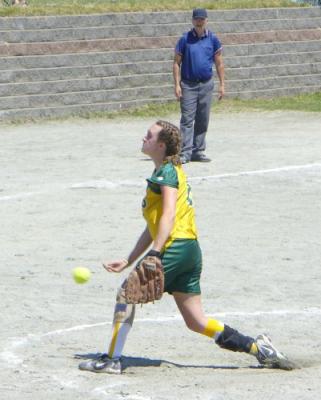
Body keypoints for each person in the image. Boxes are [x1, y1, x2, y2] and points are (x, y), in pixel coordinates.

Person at [79, 120, 294, 375]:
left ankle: (112, 360)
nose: (143, 138)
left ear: (160, 145)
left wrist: (156, 253)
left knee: (126, 294)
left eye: (148, 136)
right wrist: (129, 259)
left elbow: (168, 215)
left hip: (175, 247)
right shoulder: (171, 171)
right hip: (190, 249)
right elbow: (154, 225)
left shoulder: (166, 173)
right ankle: (258, 348)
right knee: (196, 321)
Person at [173, 8, 225, 164]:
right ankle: (185, 153)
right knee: (187, 119)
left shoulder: (213, 39)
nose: (199, 21)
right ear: (192, 20)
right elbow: (176, 63)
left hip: (206, 84)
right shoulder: (185, 39)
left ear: (206, 20)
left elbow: (219, 63)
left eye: (202, 19)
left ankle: (198, 151)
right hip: (188, 85)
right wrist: (177, 84)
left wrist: (222, 84)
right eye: (197, 19)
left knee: (203, 119)